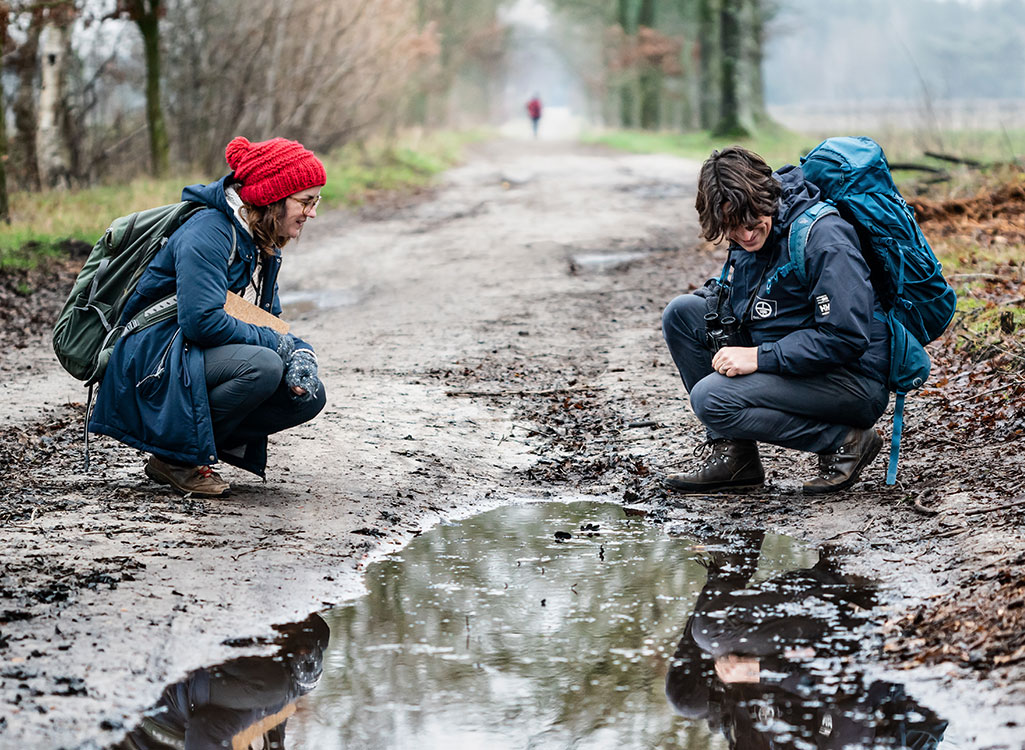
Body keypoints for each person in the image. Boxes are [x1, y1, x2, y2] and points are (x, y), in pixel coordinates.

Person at [89, 136, 328, 497]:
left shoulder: (258, 243)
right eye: (306, 202)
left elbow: (267, 323)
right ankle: (174, 458)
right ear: (273, 198)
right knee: (262, 366)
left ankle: (192, 446)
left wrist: (300, 350)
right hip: (150, 360)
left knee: (308, 394)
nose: (312, 213)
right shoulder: (210, 232)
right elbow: (202, 322)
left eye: (316, 201)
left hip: (186, 356)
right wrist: (278, 345)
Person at [661, 145, 891, 494]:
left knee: (712, 398)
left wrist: (757, 357)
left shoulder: (823, 239)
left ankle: (845, 442)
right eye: (732, 228)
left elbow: (845, 337)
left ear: (766, 199)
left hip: (851, 380)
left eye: (751, 222)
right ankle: (735, 458)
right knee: (681, 314)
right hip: (799, 362)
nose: (746, 235)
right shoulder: (751, 232)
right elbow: (749, 293)